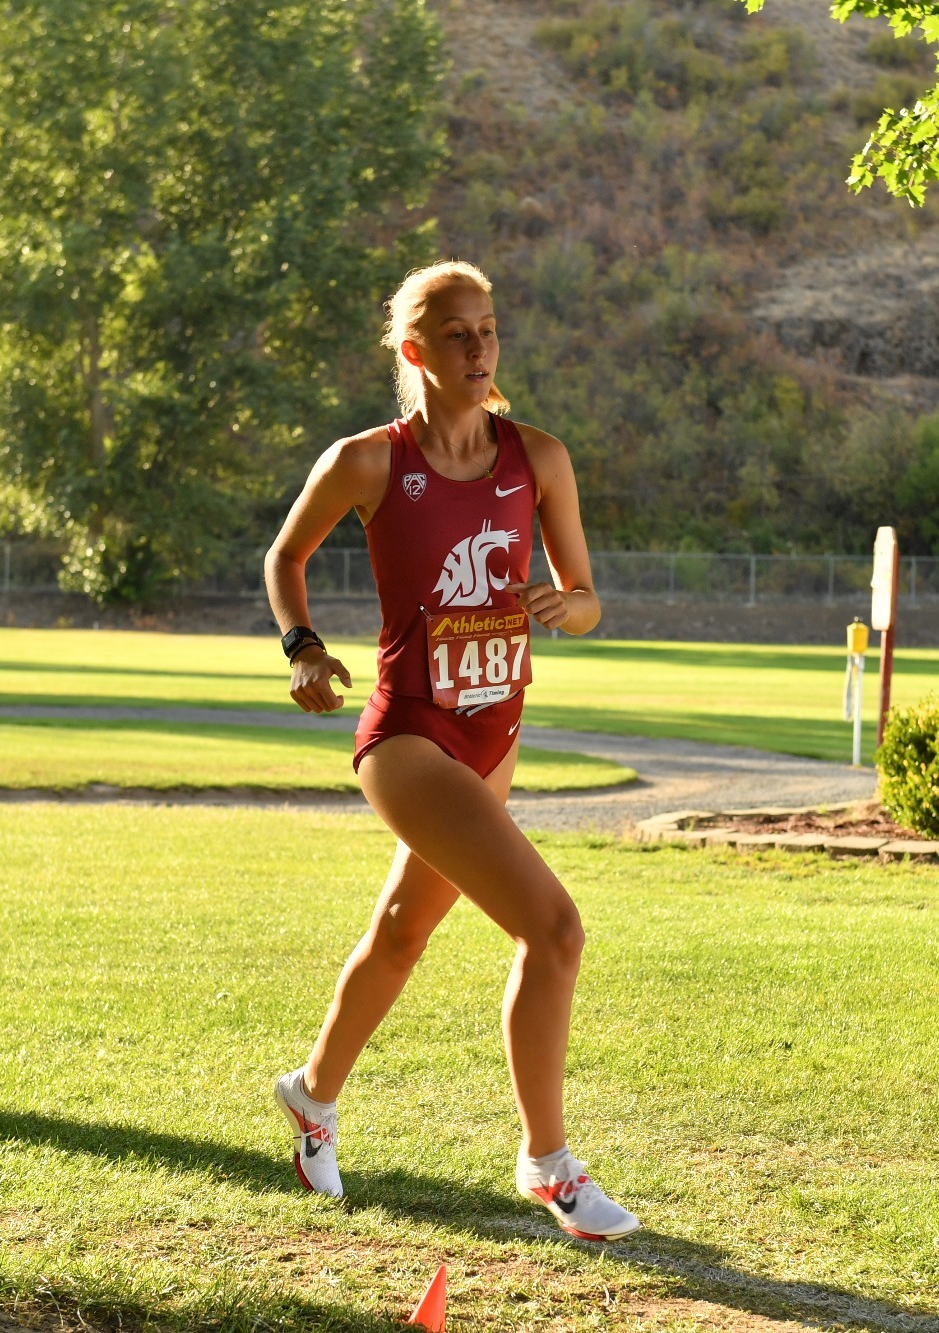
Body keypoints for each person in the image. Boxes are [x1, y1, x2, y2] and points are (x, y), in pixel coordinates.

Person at [262, 260, 639, 1241]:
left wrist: (571, 605)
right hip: (408, 736)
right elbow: (284, 556)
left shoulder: (538, 458)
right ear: (414, 350)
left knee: (400, 933)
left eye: (490, 330)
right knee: (553, 930)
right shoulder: (367, 462)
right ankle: (548, 1165)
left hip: (494, 731)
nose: (480, 350)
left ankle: (311, 1094)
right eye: (458, 335)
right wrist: (302, 646)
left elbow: (588, 596)